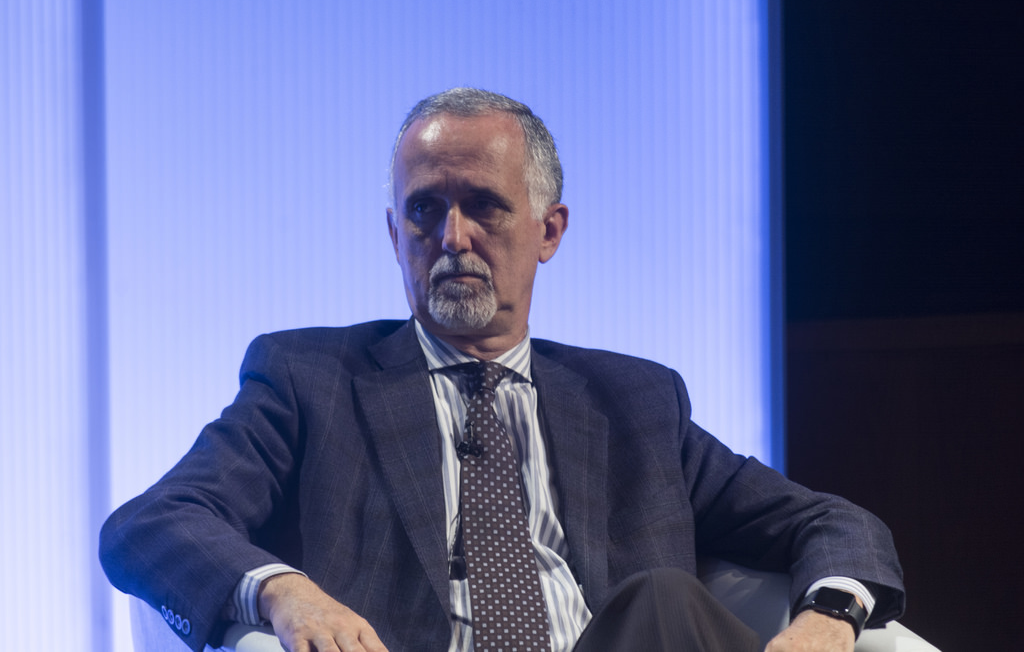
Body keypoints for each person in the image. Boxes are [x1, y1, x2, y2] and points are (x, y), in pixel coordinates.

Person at [100, 88, 904, 652]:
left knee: (664, 601)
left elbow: (833, 522)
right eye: (424, 209)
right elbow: (152, 523)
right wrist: (287, 591)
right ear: (395, 235)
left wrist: (829, 616)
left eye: (483, 205)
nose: (452, 237)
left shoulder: (635, 401)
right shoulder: (310, 381)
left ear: (549, 230)